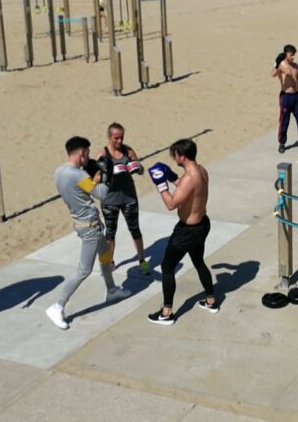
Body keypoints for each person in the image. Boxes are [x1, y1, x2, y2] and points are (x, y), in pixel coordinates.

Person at [47, 136, 129, 330]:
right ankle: (57, 306)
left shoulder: (60, 171)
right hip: (89, 226)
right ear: (82, 153)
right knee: (84, 271)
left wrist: (92, 175)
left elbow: (81, 186)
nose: (89, 157)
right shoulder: (78, 176)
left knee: (106, 254)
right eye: (88, 153)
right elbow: (101, 194)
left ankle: (111, 290)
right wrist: (105, 175)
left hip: (82, 221)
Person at [146, 139, 217, 325]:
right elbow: (189, 191)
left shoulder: (188, 179)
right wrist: (170, 176)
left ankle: (167, 312)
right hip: (202, 224)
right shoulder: (201, 171)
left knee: (167, 267)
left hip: (187, 231)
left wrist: (161, 184)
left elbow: (171, 203)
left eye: (175, 155)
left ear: (182, 156)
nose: (173, 158)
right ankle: (211, 301)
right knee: (198, 261)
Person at [98, 122, 149, 273]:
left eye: (121, 138)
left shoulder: (128, 151)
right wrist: (109, 173)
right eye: (116, 138)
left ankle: (142, 260)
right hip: (110, 200)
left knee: (135, 230)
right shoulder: (102, 154)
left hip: (129, 198)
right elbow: (97, 177)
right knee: (110, 233)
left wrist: (138, 168)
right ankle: (110, 261)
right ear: (109, 137)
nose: (119, 141)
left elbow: (140, 169)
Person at [272, 44, 298, 154]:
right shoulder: (281, 65)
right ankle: (282, 143)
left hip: (296, 96)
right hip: (286, 96)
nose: (293, 57)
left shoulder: (295, 66)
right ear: (286, 54)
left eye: (294, 55)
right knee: (284, 121)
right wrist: (276, 64)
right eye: (291, 55)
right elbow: (273, 74)